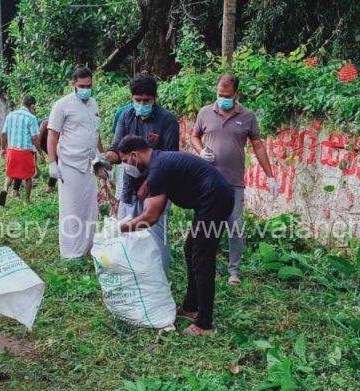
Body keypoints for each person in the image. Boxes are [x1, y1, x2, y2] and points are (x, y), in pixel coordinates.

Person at [116, 135, 233, 336]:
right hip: (211, 199)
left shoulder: (158, 169)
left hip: (215, 199)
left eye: (126, 161)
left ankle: (204, 324)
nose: (127, 166)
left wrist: (122, 228)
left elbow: (151, 216)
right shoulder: (159, 162)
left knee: (202, 259)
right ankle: (191, 306)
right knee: (191, 250)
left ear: (134, 155)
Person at [191, 74, 280, 286]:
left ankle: (234, 271)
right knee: (207, 227)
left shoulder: (247, 116)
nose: (222, 99)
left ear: (236, 94)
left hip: (234, 183)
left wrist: (270, 176)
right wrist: (201, 151)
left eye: (227, 96)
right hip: (208, 181)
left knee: (235, 227)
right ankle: (209, 267)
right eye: (219, 94)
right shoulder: (205, 112)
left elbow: (258, 145)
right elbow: (194, 136)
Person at [107, 73, 180, 274]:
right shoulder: (125, 116)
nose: (141, 104)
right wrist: (104, 160)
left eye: (146, 100)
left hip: (157, 184)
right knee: (126, 228)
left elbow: (168, 159)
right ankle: (130, 273)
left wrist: (147, 185)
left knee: (155, 234)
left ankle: (159, 277)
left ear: (154, 98)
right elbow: (116, 149)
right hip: (128, 181)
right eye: (137, 100)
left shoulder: (167, 121)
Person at [48, 67, 104, 260]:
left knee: (90, 208)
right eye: (82, 86)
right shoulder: (62, 105)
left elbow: (96, 134)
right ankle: (71, 253)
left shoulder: (94, 104)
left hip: (89, 164)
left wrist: (102, 157)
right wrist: (51, 162)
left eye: (89, 85)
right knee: (72, 209)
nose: (86, 89)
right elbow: (52, 135)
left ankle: (88, 247)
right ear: (74, 84)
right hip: (70, 163)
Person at [0, 95, 42, 206]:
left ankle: (5, 189)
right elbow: (35, 138)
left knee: (10, 173)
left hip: (12, 150)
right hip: (25, 152)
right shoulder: (31, 118)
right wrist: (40, 152)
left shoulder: (10, 115)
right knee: (28, 177)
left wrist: (3, 148)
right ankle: (27, 200)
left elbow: (3, 134)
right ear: (32, 105)